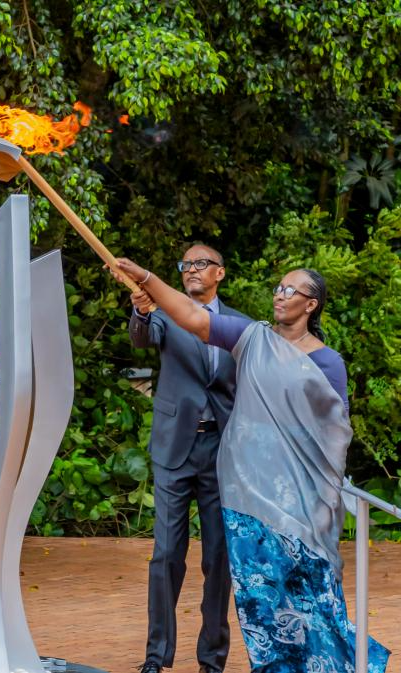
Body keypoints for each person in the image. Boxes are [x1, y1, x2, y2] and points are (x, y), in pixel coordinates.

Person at [116, 259, 389, 673]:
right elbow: (191, 316)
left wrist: (323, 497)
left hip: (303, 497)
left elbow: (335, 432)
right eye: (278, 287)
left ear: (311, 305)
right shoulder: (252, 338)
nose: (280, 295)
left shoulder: (327, 362)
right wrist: (147, 279)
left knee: (309, 592)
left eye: (291, 290)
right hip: (250, 492)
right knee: (261, 595)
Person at [130, 244, 249, 673]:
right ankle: (155, 656)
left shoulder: (240, 325)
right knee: (166, 554)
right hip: (174, 448)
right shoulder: (164, 313)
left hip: (222, 452)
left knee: (218, 558)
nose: (191, 270)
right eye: (186, 264)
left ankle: (212, 661)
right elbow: (142, 338)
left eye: (201, 264)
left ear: (220, 272)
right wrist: (142, 311)